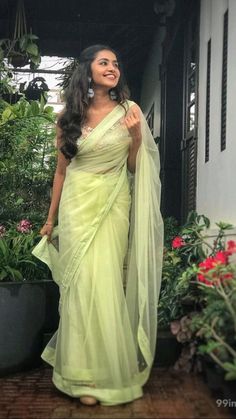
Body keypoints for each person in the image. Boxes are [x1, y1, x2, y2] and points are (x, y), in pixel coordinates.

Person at [32, 44, 163, 406]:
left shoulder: (130, 112)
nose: (112, 68)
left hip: (112, 203)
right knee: (81, 286)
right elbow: (61, 172)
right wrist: (50, 219)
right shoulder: (69, 117)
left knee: (104, 281)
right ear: (87, 70)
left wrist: (136, 137)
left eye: (116, 63)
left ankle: (106, 373)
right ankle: (80, 374)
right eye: (103, 62)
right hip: (77, 204)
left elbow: (137, 169)